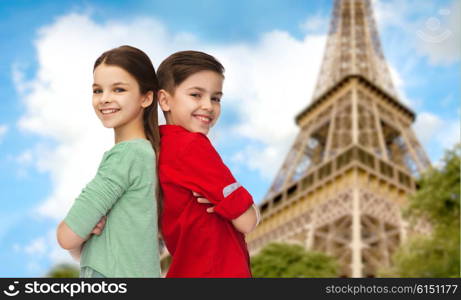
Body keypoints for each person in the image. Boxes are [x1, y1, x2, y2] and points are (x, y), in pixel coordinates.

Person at [56, 45, 162, 278]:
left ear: (146, 97)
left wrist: (80, 231)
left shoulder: (126, 156)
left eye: (118, 89)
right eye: (97, 90)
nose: (104, 99)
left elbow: (67, 236)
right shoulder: (147, 153)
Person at [157, 50, 260, 277]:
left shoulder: (159, 148)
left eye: (216, 98)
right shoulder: (193, 146)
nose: (208, 106)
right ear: (164, 100)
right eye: (196, 94)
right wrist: (245, 208)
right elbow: (247, 220)